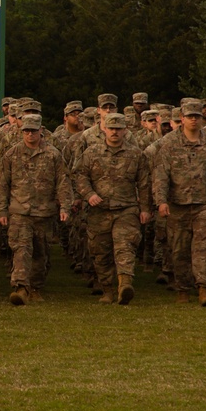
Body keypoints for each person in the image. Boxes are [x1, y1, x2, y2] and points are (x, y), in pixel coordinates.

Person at [152, 100, 206, 306]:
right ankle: (183, 289)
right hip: (177, 205)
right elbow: (161, 176)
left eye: (197, 116)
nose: (194, 119)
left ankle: (204, 288)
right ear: (182, 119)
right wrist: (161, 201)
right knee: (179, 249)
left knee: (204, 247)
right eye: (189, 116)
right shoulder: (169, 144)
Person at [73, 113, 152, 305]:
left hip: (126, 209)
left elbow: (144, 184)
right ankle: (107, 289)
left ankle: (125, 283)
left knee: (125, 246)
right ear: (104, 130)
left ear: (125, 130)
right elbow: (79, 176)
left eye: (118, 128)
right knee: (100, 251)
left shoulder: (136, 154)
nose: (115, 132)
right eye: (111, 128)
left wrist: (145, 208)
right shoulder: (91, 153)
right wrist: (89, 194)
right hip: (99, 210)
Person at [0, 114, 72, 305]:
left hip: (45, 212)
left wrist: (65, 206)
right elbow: (2, 184)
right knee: (21, 249)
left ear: (41, 131)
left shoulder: (53, 155)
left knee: (40, 252)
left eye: (33, 131)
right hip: (19, 211)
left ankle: (36, 287)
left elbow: (63, 182)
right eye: (26, 131)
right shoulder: (11, 154)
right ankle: (20, 287)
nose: (29, 135)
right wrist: (1, 211)